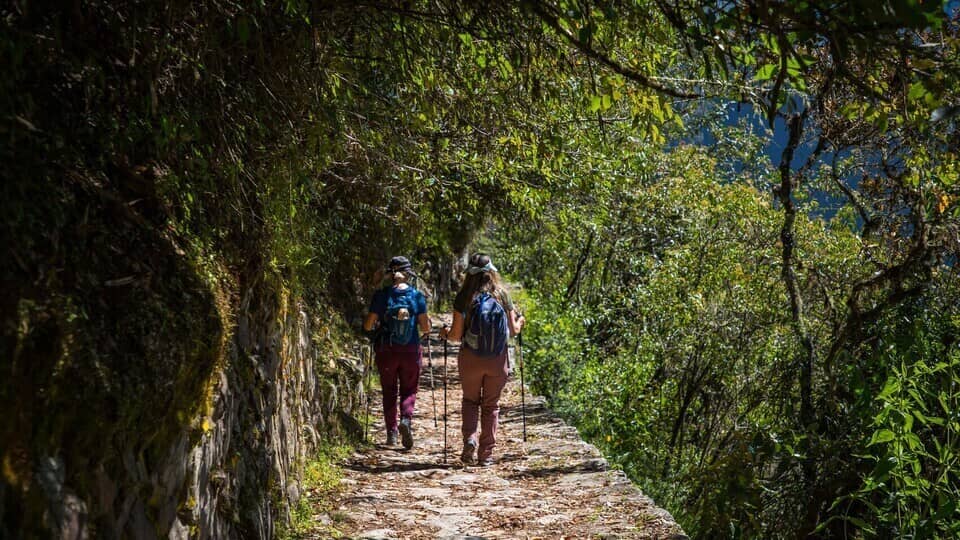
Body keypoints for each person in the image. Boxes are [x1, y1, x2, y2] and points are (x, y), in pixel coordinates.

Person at [440, 253, 525, 466]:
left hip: (470, 358)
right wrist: (521, 321)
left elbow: (456, 336)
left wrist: (444, 333)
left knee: (470, 401)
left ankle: (470, 439)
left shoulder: (464, 297)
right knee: (491, 405)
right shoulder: (502, 295)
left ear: (469, 273)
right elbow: (513, 331)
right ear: (491, 271)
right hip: (497, 358)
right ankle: (486, 455)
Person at [363, 256, 430, 449]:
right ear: (409, 273)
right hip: (410, 349)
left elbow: (368, 325)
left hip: (387, 350)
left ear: (389, 274)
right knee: (409, 389)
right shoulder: (417, 296)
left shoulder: (382, 295)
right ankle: (406, 420)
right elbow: (425, 327)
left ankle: (391, 433)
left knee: (389, 391)